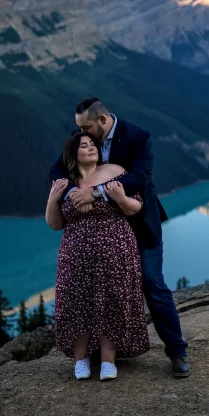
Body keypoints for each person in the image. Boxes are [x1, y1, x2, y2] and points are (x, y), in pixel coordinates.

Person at [49, 97, 190, 378]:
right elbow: (58, 169)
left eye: (86, 127)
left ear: (102, 121)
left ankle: (177, 352)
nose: (81, 134)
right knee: (96, 289)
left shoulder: (137, 136)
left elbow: (141, 178)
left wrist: (97, 192)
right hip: (99, 228)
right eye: (79, 129)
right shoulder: (82, 137)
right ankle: (98, 354)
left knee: (152, 284)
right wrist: (73, 195)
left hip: (139, 223)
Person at [46, 132, 150, 381]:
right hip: (75, 255)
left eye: (93, 144)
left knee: (112, 302)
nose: (91, 148)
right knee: (76, 304)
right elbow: (55, 223)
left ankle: (107, 361)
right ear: (73, 153)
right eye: (84, 145)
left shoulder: (115, 170)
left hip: (115, 249)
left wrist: (120, 198)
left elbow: (136, 206)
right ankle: (81, 361)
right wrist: (52, 199)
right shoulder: (64, 181)